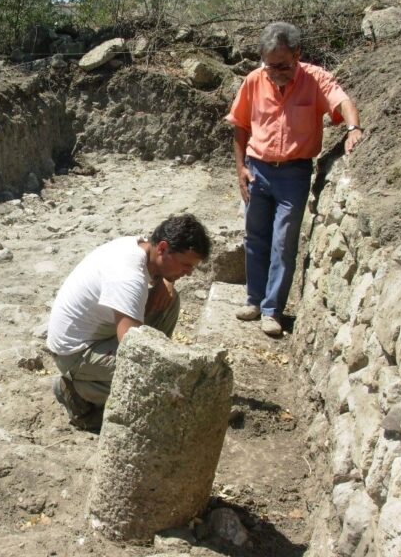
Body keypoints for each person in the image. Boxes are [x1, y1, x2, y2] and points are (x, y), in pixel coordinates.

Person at [226, 22, 363, 337]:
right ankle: (254, 301)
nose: (275, 72)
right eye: (269, 65)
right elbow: (239, 125)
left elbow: (342, 101)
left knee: (284, 243)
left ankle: (272, 311)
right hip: (257, 169)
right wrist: (240, 169)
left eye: (283, 65)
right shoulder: (254, 80)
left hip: (294, 173)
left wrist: (354, 129)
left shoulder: (315, 79)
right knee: (255, 238)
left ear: (297, 55)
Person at [46, 214, 211, 429]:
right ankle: (78, 392)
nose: (189, 273)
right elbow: (134, 352)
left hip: (98, 335)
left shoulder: (140, 246)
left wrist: (164, 279)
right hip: (75, 354)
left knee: (169, 300)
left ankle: (106, 387)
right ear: (162, 248)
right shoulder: (128, 277)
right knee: (155, 380)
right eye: (185, 265)